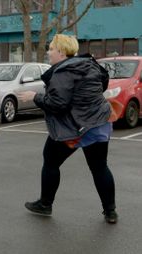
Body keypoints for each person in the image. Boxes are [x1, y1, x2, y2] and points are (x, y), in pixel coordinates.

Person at [20, 34, 117, 224]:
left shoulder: (63, 72)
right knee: (99, 167)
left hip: (75, 128)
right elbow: (102, 84)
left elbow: (57, 104)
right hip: (99, 123)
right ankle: (110, 211)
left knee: (50, 160)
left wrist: (34, 97)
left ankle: (45, 204)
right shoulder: (90, 64)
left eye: (51, 49)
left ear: (62, 52)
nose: (48, 52)